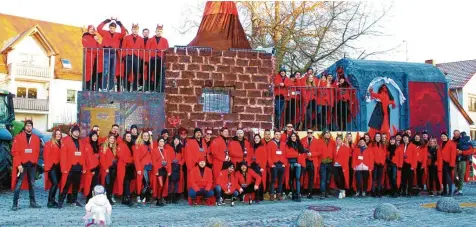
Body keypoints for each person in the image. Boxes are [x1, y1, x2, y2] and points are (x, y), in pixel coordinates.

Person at [11, 120, 42, 211]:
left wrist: (35, 162)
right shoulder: (18, 137)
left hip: (32, 165)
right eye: (27, 125)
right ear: (25, 127)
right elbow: (15, 152)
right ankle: (15, 204)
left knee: (32, 184)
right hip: (22, 165)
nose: (29, 127)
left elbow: (37, 151)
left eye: (30, 126)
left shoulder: (36, 138)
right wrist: (18, 165)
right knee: (19, 184)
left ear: (32, 127)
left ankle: (32, 202)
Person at [59, 124, 86, 208]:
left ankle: (74, 201)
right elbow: (63, 156)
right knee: (66, 185)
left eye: (78, 131)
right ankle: (61, 201)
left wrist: (84, 167)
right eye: (75, 131)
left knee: (76, 186)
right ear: (71, 132)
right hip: (69, 167)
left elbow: (83, 155)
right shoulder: (66, 142)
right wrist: (63, 168)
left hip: (79, 167)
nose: (77, 133)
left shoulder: (81, 142)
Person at [97, 18, 126, 91]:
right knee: (105, 71)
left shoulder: (118, 35)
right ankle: (103, 87)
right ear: (109, 28)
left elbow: (123, 32)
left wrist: (119, 23)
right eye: (110, 28)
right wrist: (106, 21)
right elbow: (98, 28)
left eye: (113, 28)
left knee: (112, 72)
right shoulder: (105, 33)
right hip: (106, 53)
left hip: (114, 54)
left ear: (115, 28)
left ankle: (109, 88)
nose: (111, 29)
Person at [120, 23, 144, 91]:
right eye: (133, 29)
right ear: (131, 30)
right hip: (128, 57)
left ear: (138, 30)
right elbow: (123, 47)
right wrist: (124, 56)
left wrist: (140, 57)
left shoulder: (141, 39)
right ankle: (126, 88)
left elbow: (142, 49)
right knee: (126, 73)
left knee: (136, 73)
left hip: (137, 57)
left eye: (136, 29)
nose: (135, 31)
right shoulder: (126, 38)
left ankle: (134, 89)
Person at [145, 25, 169, 92]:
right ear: (155, 31)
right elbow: (147, 50)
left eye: (160, 31)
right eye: (158, 31)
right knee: (149, 73)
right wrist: (147, 60)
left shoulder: (165, 40)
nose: (159, 32)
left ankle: (155, 89)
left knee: (157, 74)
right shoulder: (150, 40)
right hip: (152, 58)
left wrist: (165, 61)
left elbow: (167, 51)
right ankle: (149, 89)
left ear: (162, 32)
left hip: (160, 59)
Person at [133, 131, 154, 205]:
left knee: (147, 183)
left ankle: (144, 196)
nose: (146, 137)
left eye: (147, 136)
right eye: (144, 135)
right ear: (141, 136)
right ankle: (140, 196)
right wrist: (138, 169)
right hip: (142, 167)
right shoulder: (138, 145)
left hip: (149, 167)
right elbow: (136, 158)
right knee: (146, 183)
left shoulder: (150, 144)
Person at [43, 128, 62, 208]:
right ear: (54, 135)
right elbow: (46, 156)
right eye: (56, 134)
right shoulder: (49, 143)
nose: (58, 136)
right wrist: (48, 167)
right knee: (54, 183)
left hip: (59, 167)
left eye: (59, 134)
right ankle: (50, 202)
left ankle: (53, 200)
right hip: (52, 167)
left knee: (56, 184)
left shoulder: (61, 143)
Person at [285, 132, 305, 202]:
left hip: (298, 164)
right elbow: (287, 154)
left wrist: (296, 155)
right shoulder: (287, 144)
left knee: (297, 179)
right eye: (292, 136)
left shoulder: (299, 144)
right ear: (290, 137)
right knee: (291, 180)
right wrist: (297, 154)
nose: (293, 137)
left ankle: (298, 194)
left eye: (294, 136)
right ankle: (293, 193)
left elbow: (302, 153)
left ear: (296, 137)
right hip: (291, 164)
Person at [116, 132, 135, 206]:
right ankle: (126, 198)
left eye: (130, 136)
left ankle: (125, 198)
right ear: (124, 137)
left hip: (130, 167)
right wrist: (131, 159)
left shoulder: (132, 145)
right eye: (127, 136)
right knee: (125, 183)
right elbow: (120, 155)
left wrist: (132, 160)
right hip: (124, 166)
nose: (129, 137)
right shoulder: (121, 145)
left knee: (128, 183)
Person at [267, 131, 287, 201]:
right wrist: (271, 164)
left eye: (279, 134)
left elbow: (285, 155)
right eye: (276, 134)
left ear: (280, 136)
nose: (277, 136)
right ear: (274, 135)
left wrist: (284, 164)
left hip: (281, 164)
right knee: (273, 180)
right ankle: (272, 195)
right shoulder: (270, 143)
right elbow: (268, 156)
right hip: (274, 165)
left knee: (280, 180)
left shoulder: (283, 144)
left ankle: (279, 194)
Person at [82, 25, 103, 91]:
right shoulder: (85, 36)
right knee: (89, 71)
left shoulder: (94, 38)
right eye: (90, 29)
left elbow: (99, 47)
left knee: (95, 71)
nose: (92, 30)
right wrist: (95, 50)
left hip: (95, 56)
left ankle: (93, 86)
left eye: (93, 29)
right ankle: (88, 86)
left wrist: (98, 42)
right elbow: (87, 46)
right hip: (89, 56)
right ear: (88, 30)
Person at [453, 130, 473, 196]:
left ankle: (460, 190)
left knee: (461, 174)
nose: (457, 135)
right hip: (454, 160)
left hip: (463, 160)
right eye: (455, 134)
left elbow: (471, 150)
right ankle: (457, 187)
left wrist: (462, 152)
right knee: (454, 175)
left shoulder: (465, 141)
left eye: (458, 134)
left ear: (460, 134)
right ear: (453, 134)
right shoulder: (452, 141)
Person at [300, 129, 319, 199]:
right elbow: (300, 149)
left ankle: (309, 192)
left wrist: (312, 154)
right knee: (302, 176)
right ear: (307, 133)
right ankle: (300, 191)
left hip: (312, 161)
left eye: (311, 132)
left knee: (311, 178)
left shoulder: (317, 141)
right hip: (304, 160)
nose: (309, 133)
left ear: (313, 133)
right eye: (308, 132)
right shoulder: (303, 140)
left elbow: (319, 152)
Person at [100, 134, 118, 205]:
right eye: (111, 138)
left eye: (113, 138)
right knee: (107, 183)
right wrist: (105, 168)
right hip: (107, 169)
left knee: (111, 184)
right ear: (108, 139)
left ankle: (109, 197)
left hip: (113, 169)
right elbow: (102, 159)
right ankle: (107, 198)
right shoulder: (103, 147)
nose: (112, 139)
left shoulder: (114, 148)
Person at [83, 131, 101, 203]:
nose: (95, 137)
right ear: (90, 137)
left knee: (95, 184)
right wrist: (92, 168)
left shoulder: (97, 145)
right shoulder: (88, 145)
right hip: (91, 168)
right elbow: (88, 158)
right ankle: (89, 199)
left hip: (96, 167)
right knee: (90, 184)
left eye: (96, 136)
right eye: (93, 136)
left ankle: (93, 199)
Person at [317, 130, 335, 199]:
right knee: (323, 179)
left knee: (328, 179)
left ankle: (326, 192)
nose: (328, 134)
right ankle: (322, 193)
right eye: (326, 133)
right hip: (323, 163)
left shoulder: (333, 142)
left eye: (328, 133)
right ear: (323, 134)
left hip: (330, 163)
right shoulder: (319, 141)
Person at [166, 136, 184, 204]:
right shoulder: (169, 147)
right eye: (175, 140)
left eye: (177, 140)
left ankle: (175, 198)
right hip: (171, 166)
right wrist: (171, 161)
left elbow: (183, 158)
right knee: (170, 182)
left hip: (178, 167)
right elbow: (167, 156)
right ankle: (169, 197)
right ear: (173, 140)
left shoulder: (181, 148)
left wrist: (180, 163)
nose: (176, 141)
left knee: (176, 183)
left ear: (179, 141)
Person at [152, 138, 169, 206]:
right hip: (159, 169)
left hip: (164, 169)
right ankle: (158, 199)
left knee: (163, 185)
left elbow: (168, 160)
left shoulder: (166, 150)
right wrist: (156, 171)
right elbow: (153, 161)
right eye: (160, 141)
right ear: (158, 142)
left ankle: (160, 198)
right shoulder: (154, 150)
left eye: (163, 141)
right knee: (161, 185)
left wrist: (169, 170)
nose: (162, 142)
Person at [438, 132, 456, 196]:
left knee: (448, 178)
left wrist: (452, 164)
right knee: (444, 178)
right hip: (442, 163)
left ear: (447, 136)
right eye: (442, 136)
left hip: (448, 163)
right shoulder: (441, 144)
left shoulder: (452, 144)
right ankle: (445, 191)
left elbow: (453, 155)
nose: (443, 137)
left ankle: (450, 191)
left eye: (444, 136)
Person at [250, 134, 267, 201]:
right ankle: (257, 196)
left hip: (259, 166)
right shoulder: (252, 147)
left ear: (260, 139)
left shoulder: (262, 147)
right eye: (255, 138)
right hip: (253, 165)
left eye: (258, 138)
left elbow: (264, 158)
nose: (256, 139)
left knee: (259, 180)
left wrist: (262, 167)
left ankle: (259, 196)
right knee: (255, 180)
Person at [333, 135, 350, 199]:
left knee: (342, 179)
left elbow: (346, 158)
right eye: (337, 139)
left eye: (339, 139)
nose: (338, 140)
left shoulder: (345, 147)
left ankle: (342, 191)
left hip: (342, 166)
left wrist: (344, 167)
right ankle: (341, 190)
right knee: (336, 178)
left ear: (342, 140)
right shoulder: (335, 147)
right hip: (335, 165)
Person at [371, 133, 385, 197]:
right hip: (374, 164)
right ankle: (373, 192)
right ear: (374, 137)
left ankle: (379, 191)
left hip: (381, 164)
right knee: (374, 178)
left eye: (379, 136)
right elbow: (370, 154)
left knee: (379, 178)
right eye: (376, 136)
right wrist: (375, 161)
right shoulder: (372, 145)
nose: (378, 137)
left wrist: (382, 162)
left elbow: (384, 155)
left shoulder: (383, 145)